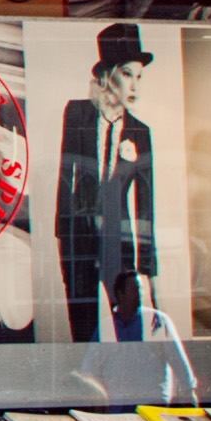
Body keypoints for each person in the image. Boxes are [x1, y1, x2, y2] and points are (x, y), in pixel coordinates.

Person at [54, 22, 161, 341]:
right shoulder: (77, 114)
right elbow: (64, 173)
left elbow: (146, 205)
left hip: (121, 242)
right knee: (83, 336)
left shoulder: (140, 132)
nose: (135, 86)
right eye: (127, 73)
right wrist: (63, 236)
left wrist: (149, 275)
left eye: (139, 76)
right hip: (80, 238)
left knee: (131, 337)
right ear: (107, 74)